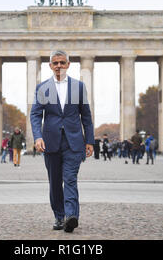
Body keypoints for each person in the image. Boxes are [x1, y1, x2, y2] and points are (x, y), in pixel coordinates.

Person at [30, 50, 94, 233]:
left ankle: (71, 216)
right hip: (50, 141)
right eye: (55, 63)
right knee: (55, 182)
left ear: (68, 65)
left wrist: (89, 140)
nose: (59, 66)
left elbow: (86, 116)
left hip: (74, 142)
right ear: (50, 66)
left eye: (62, 62)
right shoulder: (43, 88)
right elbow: (35, 115)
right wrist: (37, 136)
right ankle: (59, 215)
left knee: (70, 179)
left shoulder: (79, 87)